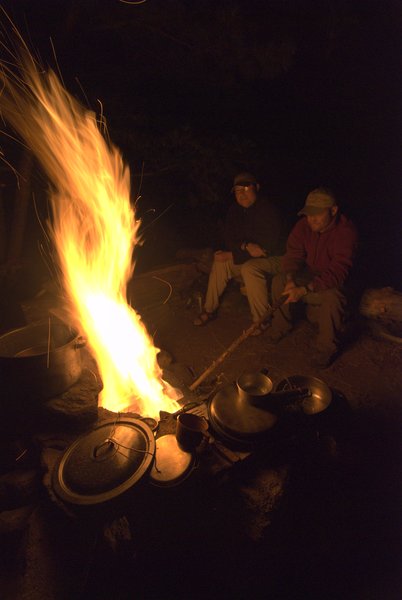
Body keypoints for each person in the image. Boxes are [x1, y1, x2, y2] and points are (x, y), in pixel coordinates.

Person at [267, 187, 358, 367]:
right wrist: (291, 279)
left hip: (335, 278)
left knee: (333, 297)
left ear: (333, 210)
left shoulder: (346, 231)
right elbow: (293, 255)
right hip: (310, 272)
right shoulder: (303, 226)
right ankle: (280, 327)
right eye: (309, 214)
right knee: (279, 281)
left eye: (317, 214)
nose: (311, 219)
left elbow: (339, 270)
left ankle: (326, 348)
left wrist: (306, 289)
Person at [193, 172, 284, 334]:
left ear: (256, 188)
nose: (241, 194)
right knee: (221, 263)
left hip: (276, 258)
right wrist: (244, 246)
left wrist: (234, 254)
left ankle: (262, 320)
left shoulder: (268, 210)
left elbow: (265, 249)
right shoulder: (235, 211)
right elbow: (229, 239)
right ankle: (209, 309)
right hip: (248, 257)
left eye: (246, 188)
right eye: (237, 190)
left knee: (249, 268)